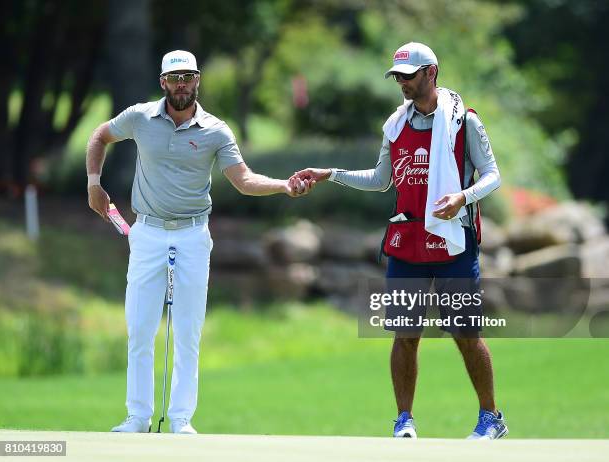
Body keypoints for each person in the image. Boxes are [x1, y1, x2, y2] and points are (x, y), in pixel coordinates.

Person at [290, 42, 507, 440]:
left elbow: (492, 174)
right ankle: (404, 420)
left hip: (453, 244)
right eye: (398, 77)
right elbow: (380, 179)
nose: (402, 83)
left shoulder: (465, 122)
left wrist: (464, 196)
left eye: (409, 75)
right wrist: (330, 173)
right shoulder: (395, 125)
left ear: (432, 73)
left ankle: (491, 417)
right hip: (407, 246)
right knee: (405, 334)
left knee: (465, 333)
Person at [86, 50, 309, 434]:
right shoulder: (140, 117)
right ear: (163, 82)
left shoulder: (216, 130)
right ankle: (138, 417)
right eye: (174, 78)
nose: (181, 84)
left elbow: (243, 179)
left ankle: (180, 420)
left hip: (192, 234)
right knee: (140, 329)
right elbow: (99, 136)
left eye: (187, 77)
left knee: (187, 332)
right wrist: (93, 183)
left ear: (198, 79)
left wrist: (284, 187)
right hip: (148, 232)